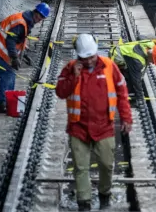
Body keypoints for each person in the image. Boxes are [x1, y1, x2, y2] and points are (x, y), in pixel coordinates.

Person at [56, 34, 132, 211]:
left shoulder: (108, 66)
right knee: (81, 168)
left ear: (96, 52)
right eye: (85, 57)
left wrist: (126, 117)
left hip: (103, 126)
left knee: (107, 164)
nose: (89, 60)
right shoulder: (70, 68)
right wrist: (73, 77)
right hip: (78, 127)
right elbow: (60, 92)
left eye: (92, 56)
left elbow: (122, 92)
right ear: (79, 56)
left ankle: (104, 194)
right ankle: (84, 202)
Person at [0, 2, 51, 114]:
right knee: (8, 73)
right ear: (35, 12)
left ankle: (9, 102)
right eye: (38, 15)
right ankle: (2, 103)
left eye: (42, 17)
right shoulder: (21, 23)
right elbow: (10, 40)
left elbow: (18, 40)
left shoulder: (26, 21)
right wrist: (15, 58)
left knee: (11, 73)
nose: (39, 19)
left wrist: (23, 54)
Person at [109, 40, 156, 106]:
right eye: (153, 60)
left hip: (124, 51)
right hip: (116, 56)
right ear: (151, 55)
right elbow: (136, 79)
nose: (153, 63)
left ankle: (128, 91)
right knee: (130, 78)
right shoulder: (138, 61)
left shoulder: (150, 44)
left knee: (133, 78)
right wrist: (140, 97)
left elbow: (142, 37)